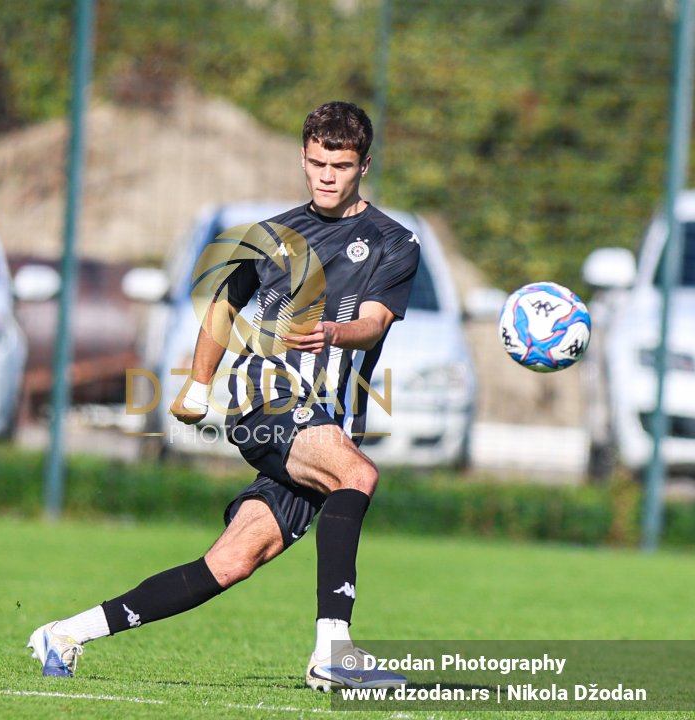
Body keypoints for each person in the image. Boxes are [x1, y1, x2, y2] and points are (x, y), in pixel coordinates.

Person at [28, 101, 421, 692]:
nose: (325, 176)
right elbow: (224, 306)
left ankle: (65, 632)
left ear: (364, 165)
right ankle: (333, 653)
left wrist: (336, 331)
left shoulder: (395, 243)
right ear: (304, 157)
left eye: (339, 165)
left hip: (324, 417)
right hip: (267, 394)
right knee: (357, 477)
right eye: (316, 163)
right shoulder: (274, 236)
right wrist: (197, 383)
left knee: (230, 562)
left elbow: (373, 320)